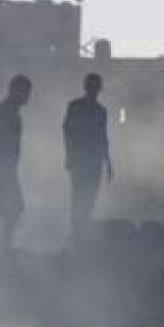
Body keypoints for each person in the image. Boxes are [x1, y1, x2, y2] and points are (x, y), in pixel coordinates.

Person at [0, 75, 32, 250]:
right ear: (15, 90)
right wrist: (0, 166)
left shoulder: (11, 112)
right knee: (10, 206)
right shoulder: (2, 110)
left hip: (3, 167)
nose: (28, 96)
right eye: (25, 91)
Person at [63, 73, 114, 237]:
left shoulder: (101, 111)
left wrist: (109, 164)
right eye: (91, 86)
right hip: (80, 159)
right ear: (86, 87)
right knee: (79, 195)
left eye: (96, 87)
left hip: (94, 160)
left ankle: (82, 229)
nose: (93, 90)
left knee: (90, 195)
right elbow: (68, 131)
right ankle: (76, 231)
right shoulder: (75, 106)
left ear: (99, 89)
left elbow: (103, 137)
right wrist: (69, 155)